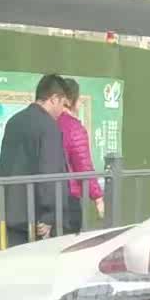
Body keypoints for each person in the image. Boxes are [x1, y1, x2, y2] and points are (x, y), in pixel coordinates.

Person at [0, 74, 67, 246]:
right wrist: (49, 215)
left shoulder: (13, 122)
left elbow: (4, 166)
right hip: (38, 221)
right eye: (63, 104)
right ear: (54, 99)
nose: (62, 110)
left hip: (12, 213)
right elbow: (50, 172)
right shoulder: (49, 127)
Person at [56, 78, 105, 233]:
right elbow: (83, 165)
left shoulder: (46, 123)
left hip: (44, 199)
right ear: (71, 100)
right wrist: (98, 197)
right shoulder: (73, 127)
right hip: (68, 199)